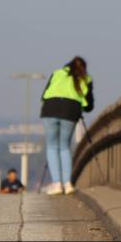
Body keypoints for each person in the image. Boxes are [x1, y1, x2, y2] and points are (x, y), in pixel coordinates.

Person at [39, 57, 93, 196]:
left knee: (52, 146)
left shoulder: (57, 73)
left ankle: (57, 184)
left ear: (67, 66)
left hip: (50, 109)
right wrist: (82, 108)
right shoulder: (85, 78)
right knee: (64, 147)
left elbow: (44, 95)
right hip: (70, 111)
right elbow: (89, 104)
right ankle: (67, 184)